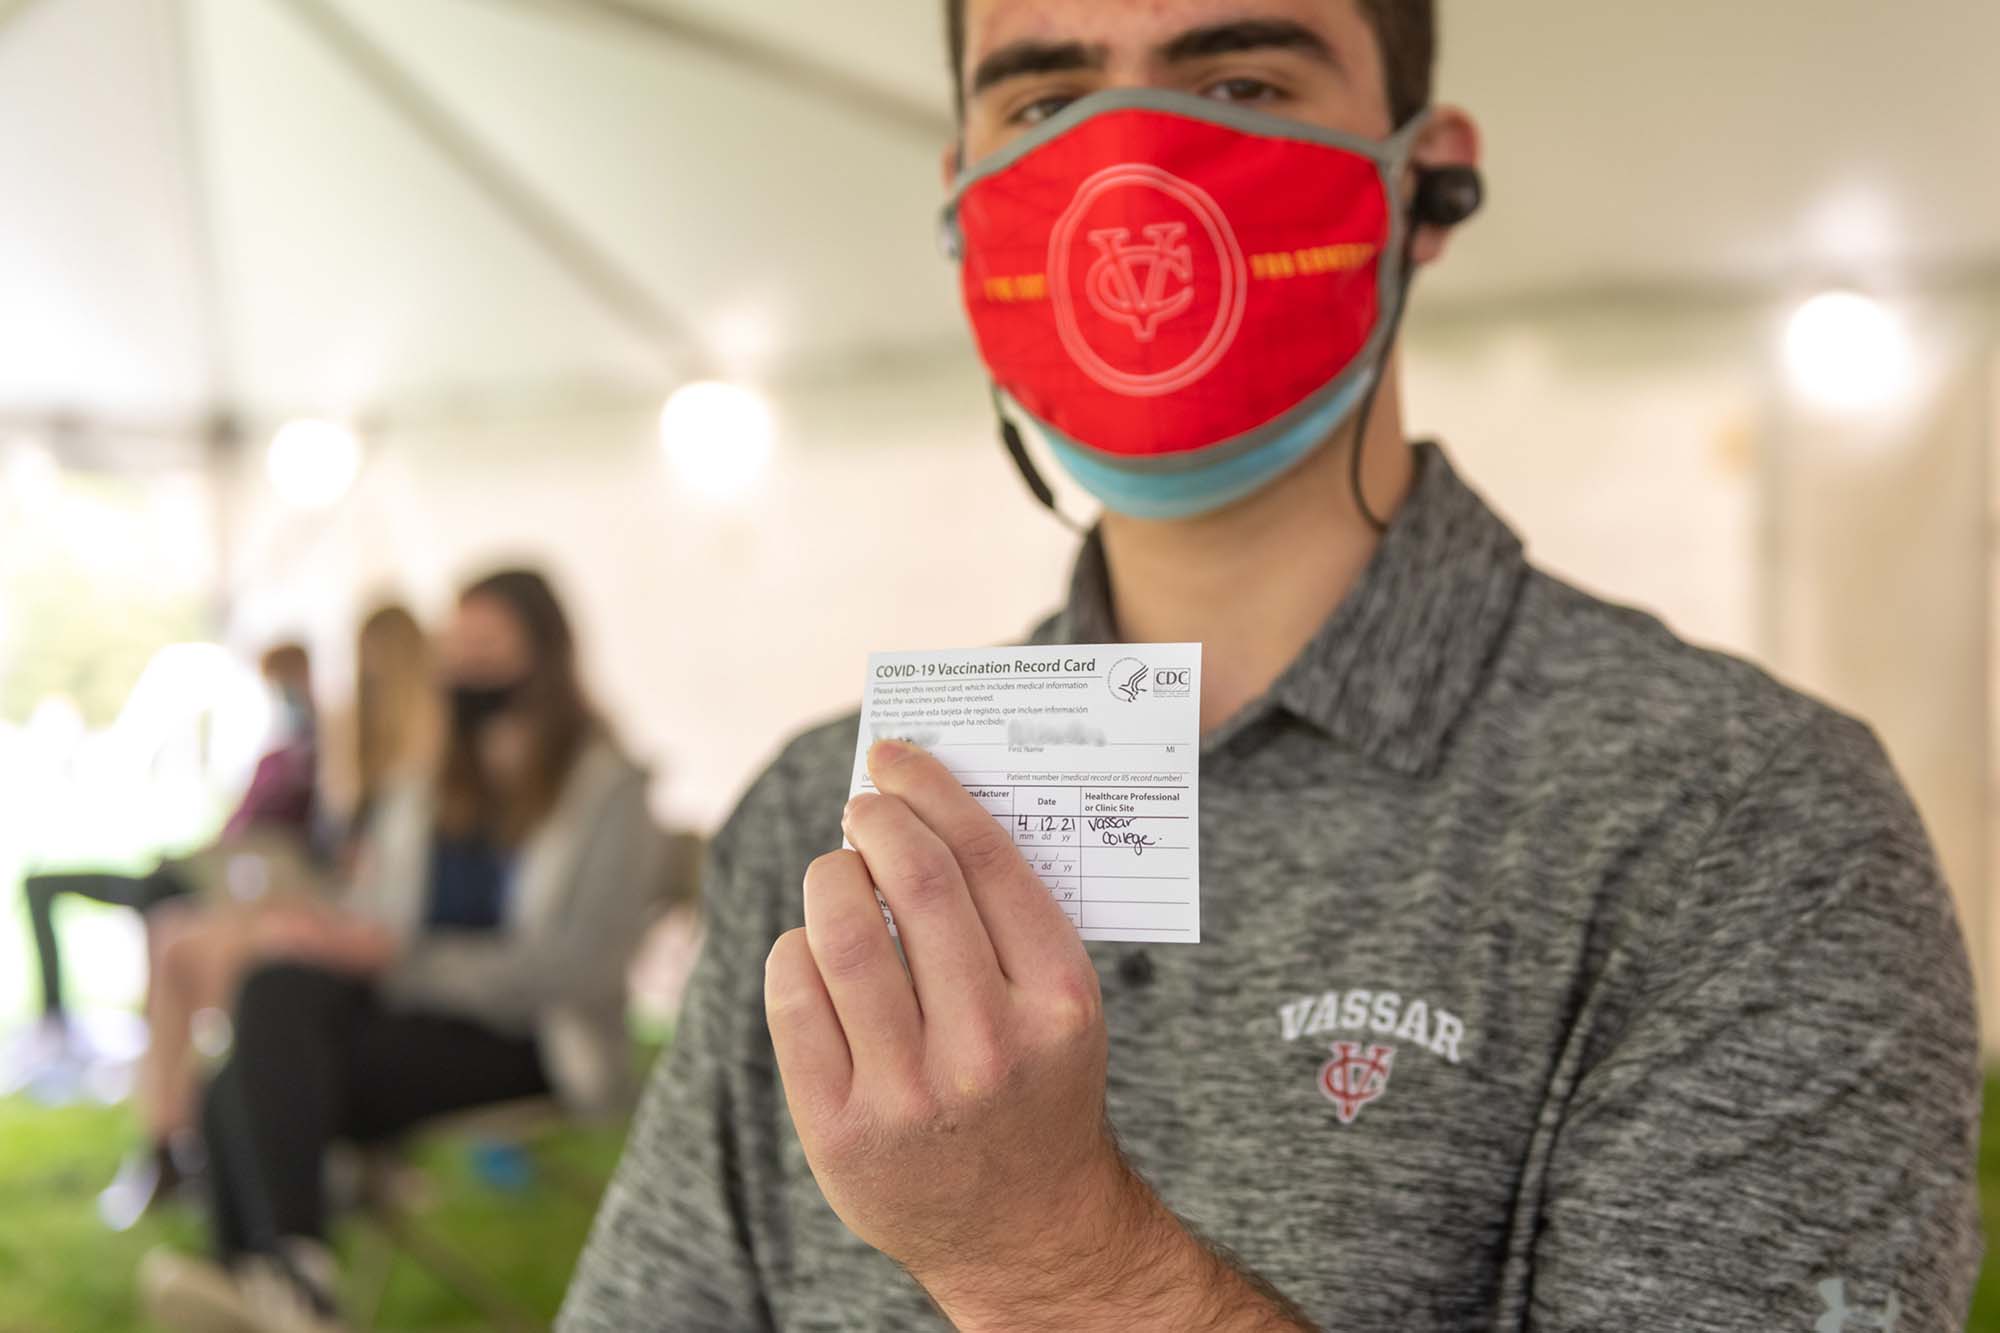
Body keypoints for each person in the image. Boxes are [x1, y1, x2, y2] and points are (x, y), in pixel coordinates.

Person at [559, 3, 1981, 1331]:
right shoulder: (828, 817)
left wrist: (1051, 1254)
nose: (1129, 172)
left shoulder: (1746, 824)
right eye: (1046, 101)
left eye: (1241, 85)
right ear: (963, 203)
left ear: (1425, 184)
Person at [141, 569, 662, 1333]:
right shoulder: (428, 784)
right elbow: (378, 913)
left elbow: (577, 966)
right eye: (456, 645)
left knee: (249, 1078)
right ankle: (290, 1278)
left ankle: (274, 1286)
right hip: (408, 1014)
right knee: (274, 990)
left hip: (533, 1035)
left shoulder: (607, 789)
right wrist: (325, 930)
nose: (464, 666)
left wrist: (395, 958)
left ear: (543, 656)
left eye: (488, 646)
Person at [97, 607, 442, 1231]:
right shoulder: (347, 749)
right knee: (175, 937)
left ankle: (248, 1151)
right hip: (336, 908)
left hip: (371, 939)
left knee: (245, 970)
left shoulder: (429, 767)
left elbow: (397, 908)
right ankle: (171, 1138)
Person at [15, 642, 319, 1103]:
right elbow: (237, 832)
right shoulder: (276, 755)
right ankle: (156, 1115)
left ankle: (169, 1114)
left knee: (170, 935)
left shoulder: (306, 758)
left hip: (224, 885)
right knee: (83, 898)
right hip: (200, 873)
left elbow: (276, 844)